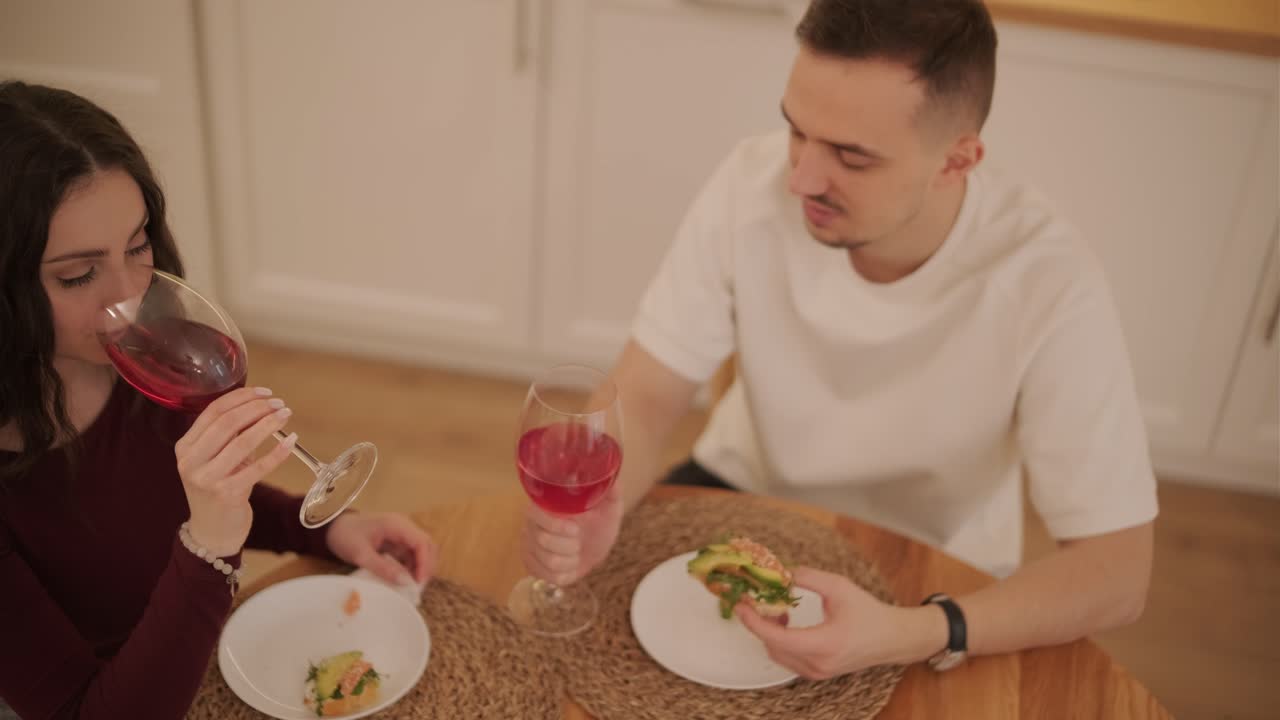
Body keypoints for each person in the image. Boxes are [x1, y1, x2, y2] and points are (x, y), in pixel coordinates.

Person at [521, 0, 1157, 679]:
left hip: (934, 559)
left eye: (852, 156)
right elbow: (646, 394)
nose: (800, 179)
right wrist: (602, 497)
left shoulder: (1050, 280)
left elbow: (1117, 573)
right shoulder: (750, 182)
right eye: (797, 131)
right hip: (744, 490)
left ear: (957, 160)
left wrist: (917, 632)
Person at [0, 81, 438, 720]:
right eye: (78, 275)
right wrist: (210, 543)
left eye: (139, 245)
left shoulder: (136, 361)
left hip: (187, 643)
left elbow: (165, 497)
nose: (129, 300)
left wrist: (329, 529)